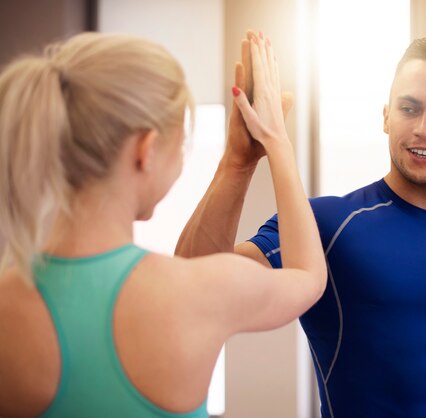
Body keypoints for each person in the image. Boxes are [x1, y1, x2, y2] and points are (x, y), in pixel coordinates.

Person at [177, 35, 426, 417]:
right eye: (409, 109)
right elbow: (194, 283)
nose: (424, 128)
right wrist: (238, 161)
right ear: (385, 117)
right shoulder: (323, 227)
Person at [0, 31, 326, 417]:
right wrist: (276, 139)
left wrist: (237, 162)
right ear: (146, 150)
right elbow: (308, 275)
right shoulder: (192, 294)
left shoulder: (8, 303)